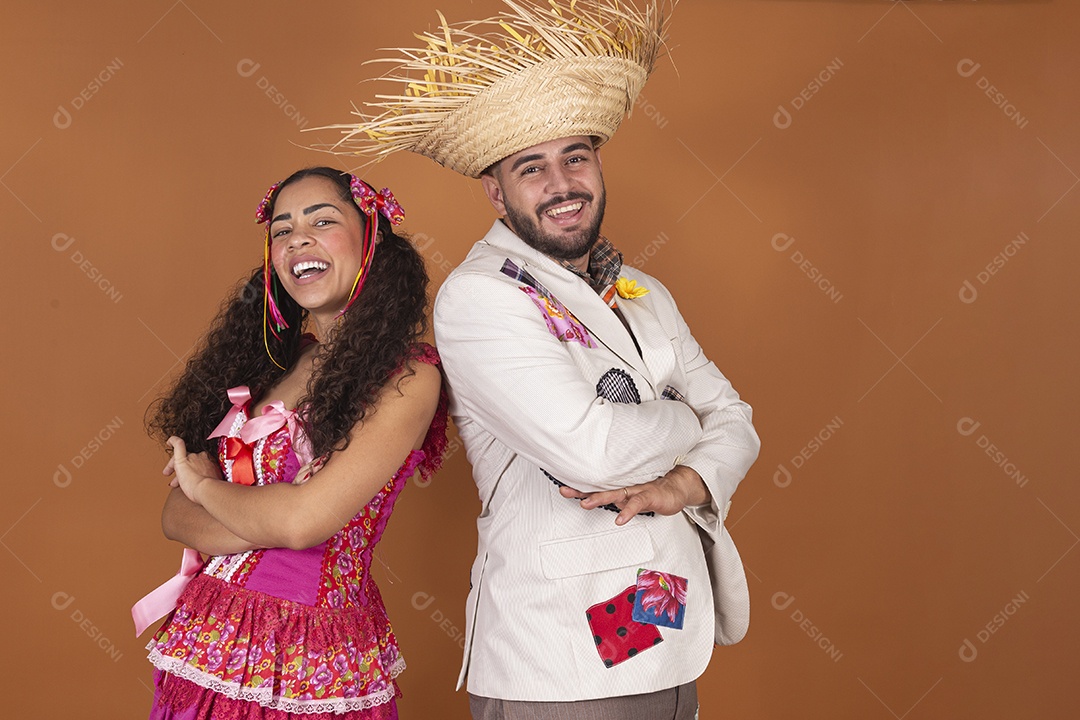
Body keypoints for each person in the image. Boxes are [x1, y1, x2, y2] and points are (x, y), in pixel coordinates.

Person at [322, 2, 760, 717]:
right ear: (496, 192)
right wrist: (686, 419)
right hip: (563, 656)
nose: (562, 184)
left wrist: (685, 485)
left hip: (668, 624)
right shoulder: (480, 299)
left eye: (575, 157)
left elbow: (738, 421)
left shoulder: (643, 290)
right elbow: (593, 452)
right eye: (532, 168)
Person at [134, 166, 447, 720]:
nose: (297, 238)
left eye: (322, 221)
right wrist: (251, 517)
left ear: (371, 239)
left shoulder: (409, 376)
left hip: (307, 649)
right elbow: (174, 516)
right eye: (282, 230)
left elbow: (304, 523)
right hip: (208, 632)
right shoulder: (272, 362)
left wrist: (207, 487)